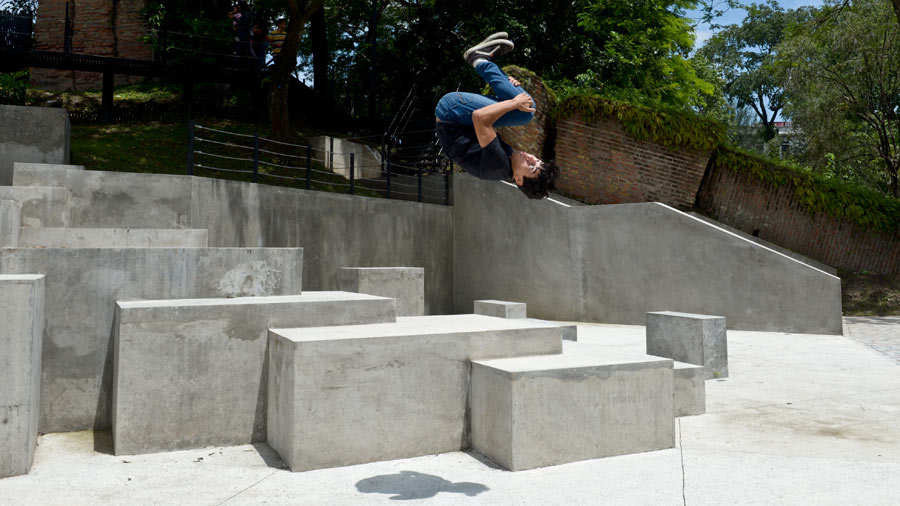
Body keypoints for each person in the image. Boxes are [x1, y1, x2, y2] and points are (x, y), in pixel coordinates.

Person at [435, 32, 559, 199]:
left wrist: (514, 102)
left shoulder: (497, 165)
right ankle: (484, 62)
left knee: (526, 109)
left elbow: (479, 117)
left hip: (451, 112)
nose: (531, 157)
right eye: (537, 160)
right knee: (525, 110)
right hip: (460, 117)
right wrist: (510, 89)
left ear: (519, 179)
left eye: (532, 167)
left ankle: (478, 59)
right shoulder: (509, 163)